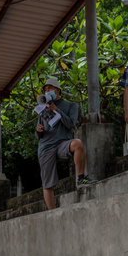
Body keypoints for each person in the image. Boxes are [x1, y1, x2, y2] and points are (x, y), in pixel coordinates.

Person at [35, 77, 97, 210]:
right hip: (46, 147)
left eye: (49, 88)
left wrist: (56, 110)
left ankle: (81, 179)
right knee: (47, 184)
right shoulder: (42, 108)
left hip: (63, 144)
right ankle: (52, 213)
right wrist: (38, 130)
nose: (47, 91)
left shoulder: (70, 106)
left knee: (78, 143)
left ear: (57, 90)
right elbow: (38, 136)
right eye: (45, 89)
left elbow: (70, 124)